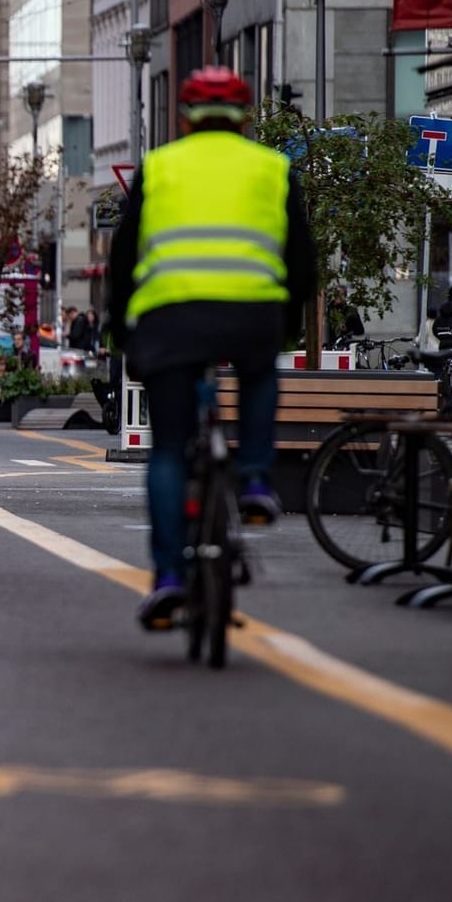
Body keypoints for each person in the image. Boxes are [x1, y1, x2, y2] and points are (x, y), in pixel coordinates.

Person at [107, 67, 317, 632]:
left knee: (170, 450)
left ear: (183, 117)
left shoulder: (161, 168)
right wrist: (288, 325)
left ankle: (170, 577)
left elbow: (123, 257)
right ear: (246, 117)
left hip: (170, 316)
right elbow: (301, 260)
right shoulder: (273, 169)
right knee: (257, 375)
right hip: (252, 314)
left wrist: (120, 333)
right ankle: (253, 480)